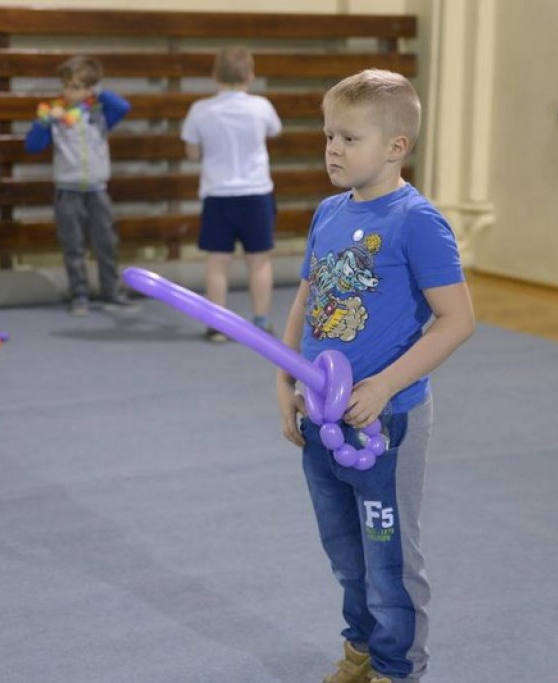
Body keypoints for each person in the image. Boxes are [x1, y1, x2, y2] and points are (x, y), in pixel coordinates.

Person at [274, 70, 475, 683]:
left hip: (386, 422)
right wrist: (284, 382)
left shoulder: (417, 222)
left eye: (350, 138)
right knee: (346, 556)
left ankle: (396, 668)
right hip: (322, 420)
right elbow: (306, 301)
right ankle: (359, 653)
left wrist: (384, 385)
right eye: (328, 135)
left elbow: (456, 320)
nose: (333, 149)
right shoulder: (329, 213)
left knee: (388, 561)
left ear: (396, 147)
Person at [180, 45, 282, 342]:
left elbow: (192, 153)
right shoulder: (261, 106)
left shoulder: (200, 110)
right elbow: (274, 131)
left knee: (218, 260)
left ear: (214, 75)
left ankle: (217, 325)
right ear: (250, 75)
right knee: (259, 259)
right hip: (256, 194)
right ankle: (261, 321)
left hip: (218, 196)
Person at [24, 55, 138, 316]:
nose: (69, 91)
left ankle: (112, 292)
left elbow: (123, 107)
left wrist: (96, 91)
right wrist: (44, 122)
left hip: (97, 190)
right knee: (73, 245)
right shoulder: (55, 115)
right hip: (68, 191)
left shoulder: (99, 114)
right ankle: (79, 295)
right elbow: (32, 146)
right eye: (66, 85)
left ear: (89, 89)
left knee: (106, 243)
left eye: (76, 86)